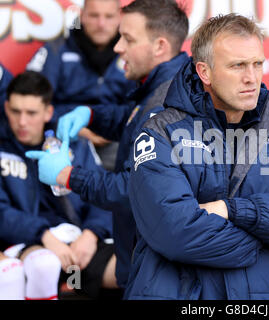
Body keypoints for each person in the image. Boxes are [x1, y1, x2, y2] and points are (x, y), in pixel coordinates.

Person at [123, 13, 269, 300]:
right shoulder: (160, 131)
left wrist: (232, 210)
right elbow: (175, 232)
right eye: (237, 66)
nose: (251, 78)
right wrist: (265, 238)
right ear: (204, 72)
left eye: (257, 64)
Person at [28, 0, 190, 291]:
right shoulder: (158, 89)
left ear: (159, 46)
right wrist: (91, 114)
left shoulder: (167, 104)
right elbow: (131, 120)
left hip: (160, 274)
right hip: (148, 262)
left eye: (127, 39)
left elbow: (137, 191)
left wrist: (68, 176)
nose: (117, 47)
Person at [1, 71, 116, 300]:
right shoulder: (2, 147)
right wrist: (43, 235)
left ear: (48, 112)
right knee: (45, 265)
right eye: (15, 111)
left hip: (78, 247)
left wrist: (91, 234)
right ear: (5, 108)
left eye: (31, 113)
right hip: (31, 245)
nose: (22, 121)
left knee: (134, 268)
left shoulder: (72, 143)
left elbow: (104, 194)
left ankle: (74, 286)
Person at [26, 0, 135, 171]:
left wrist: (111, 127)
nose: (101, 23)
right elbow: (31, 104)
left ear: (119, 18)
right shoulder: (55, 51)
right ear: (82, 16)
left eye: (108, 16)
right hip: (65, 136)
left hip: (116, 138)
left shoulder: (133, 51)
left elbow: (140, 105)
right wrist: (72, 125)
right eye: (94, 15)